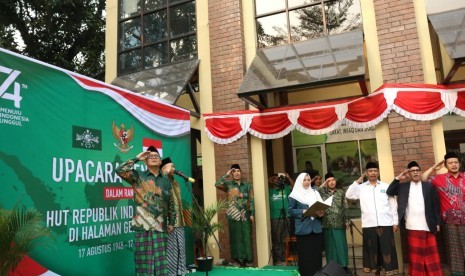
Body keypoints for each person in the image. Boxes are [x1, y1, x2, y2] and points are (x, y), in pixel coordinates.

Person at [115, 146, 175, 276]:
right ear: (145, 161)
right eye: (150, 156)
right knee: (144, 265)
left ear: (160, 161)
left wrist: (172, 222)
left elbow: (171, 203)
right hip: (143, 226)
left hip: (161, 227)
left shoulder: (166, 180)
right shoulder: (137, 175)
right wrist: (137, 158)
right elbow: (119, 170)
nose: (153, 157)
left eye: (156, 156)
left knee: (160, 265)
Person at [387, 161, 442, 276]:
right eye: (412, 171)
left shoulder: (428, 186)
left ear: (420, 172)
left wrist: (437, 222)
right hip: (412, 225)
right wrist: (399, 177)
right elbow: (390, 191)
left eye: (417, 170)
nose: (415, 173)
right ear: (409, 173)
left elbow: (435, 205)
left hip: (428, 224)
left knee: (430, 256)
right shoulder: (403, 186)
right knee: (416, 257)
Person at [345, 162, 399, 275]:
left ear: (378, 172)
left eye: (375, 171)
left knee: (387, 250)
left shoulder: (386, 186)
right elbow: (348, 195)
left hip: (386, 223)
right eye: (370, 171)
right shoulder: (361, 188)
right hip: (369, 224)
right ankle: (376, 272)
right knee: (373, 251)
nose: (373, 173)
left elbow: (393, 204)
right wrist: (357, 181)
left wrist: (395, 221)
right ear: (366, 173)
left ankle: (388, 271)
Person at [422, 152, 465, 275]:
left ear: (460, 164)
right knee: (454, 252)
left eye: (456, 162)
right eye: (450, 163)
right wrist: (433, 168)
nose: (454, 165)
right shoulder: (439, 179)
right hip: (450, 222)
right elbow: (422, 179)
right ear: (446, 165)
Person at [215, 164, 254, 267]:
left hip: (245, 215)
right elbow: (217, 184)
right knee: (235, 238)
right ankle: (237, 260)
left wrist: (252, 213)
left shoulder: (247, 186)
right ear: (232, 174)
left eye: (238, 171)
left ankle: (248, 260)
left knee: (246, 237)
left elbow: (251, 200)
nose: (236, 173)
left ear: (241, 172)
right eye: (234, 171)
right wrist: (226, 174)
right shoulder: (228, 185)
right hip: (233, 216)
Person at [288, 173, 324, 276]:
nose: (307, 182)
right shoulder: (294, 195)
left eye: (308, 179)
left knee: (316, 256)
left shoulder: (315, 193)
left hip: (316, 229)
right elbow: (290, 211)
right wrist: (303, 211)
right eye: (305, 180)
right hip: (303, 230)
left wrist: (321, 214)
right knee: (305, 257)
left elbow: (320, 208)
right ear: (300, 181)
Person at [160, 157, 188, 276]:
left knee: (181, 249)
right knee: (171, 251)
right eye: (171, 167)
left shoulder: (176, 183)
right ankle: (171, 273)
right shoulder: (162, 181)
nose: (174, 169)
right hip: (169, 223)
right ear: (163, 169)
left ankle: (181, 272)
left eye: (174, 166)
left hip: (179, 222)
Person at [317, 172, 350, 273]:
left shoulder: (340, 192)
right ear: (326, 182)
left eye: (333, 180)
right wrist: (323, 184)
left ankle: (343, 266)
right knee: (330, 247)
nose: (331, 182)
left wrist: (347, 220)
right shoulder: (322, 192)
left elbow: (345, 207)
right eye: (329, 181)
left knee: (341, 246)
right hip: (327, 224)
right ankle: (331, 267)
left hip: (339, 223)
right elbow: (315, 190)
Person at [268, 173, 294, 265]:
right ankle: (278, 259)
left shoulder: (285, 189)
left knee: (285, 239)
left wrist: (288, 177)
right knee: (277, 239)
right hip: (275, 217)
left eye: (277, 178)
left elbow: (294, 187)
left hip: (285, 216)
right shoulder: (269, 191)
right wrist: (271, 179)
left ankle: (285, 258)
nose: (276, 180)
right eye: (274, 179)